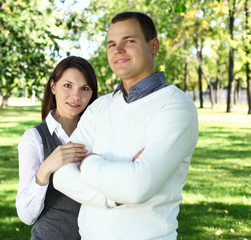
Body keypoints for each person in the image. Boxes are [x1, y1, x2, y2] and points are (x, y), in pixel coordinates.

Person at [53, 12, 199, 239]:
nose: (118, 50)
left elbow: (137, 187)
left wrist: (87, 163)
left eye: (129, 41)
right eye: (112, 44)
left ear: (154, 46)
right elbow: (61, 175)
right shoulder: (100, 106)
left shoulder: (176, 107)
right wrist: (114, 196)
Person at [16, 56, 99, 240]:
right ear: (53, 86)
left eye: (84, 88)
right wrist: (45, 169)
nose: (76, 96)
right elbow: (26, 216)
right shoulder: (34, 138)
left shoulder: (98, 134)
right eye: (67, 85)